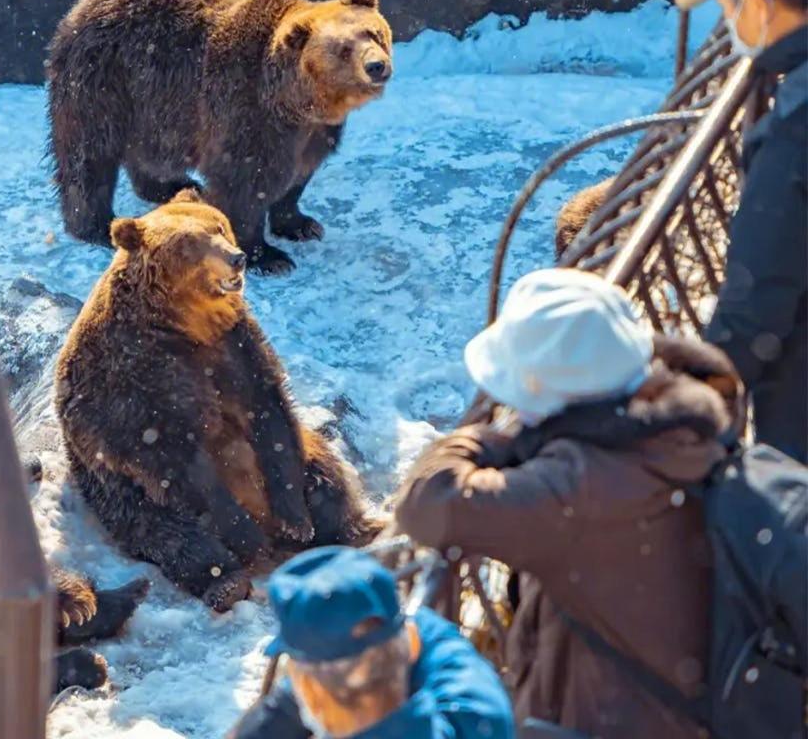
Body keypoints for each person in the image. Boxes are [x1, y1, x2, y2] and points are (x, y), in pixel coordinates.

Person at [390, 269, 744, 739]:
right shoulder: (693, 418)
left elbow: (428, 503)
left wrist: (486, 439)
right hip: (695, 700)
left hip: (610, 722)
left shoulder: (577, 487)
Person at [675, 0, 807, 462]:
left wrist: (677, 403)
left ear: (757, 2)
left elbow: (756, 311)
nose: (728, 19)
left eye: (727, 5)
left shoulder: (794, 130)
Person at [226, 545, 514, 739]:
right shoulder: (478, 716)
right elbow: (439, 644)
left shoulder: (310, 693)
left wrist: (314, 677)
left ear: (312, 694)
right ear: (410, 645)